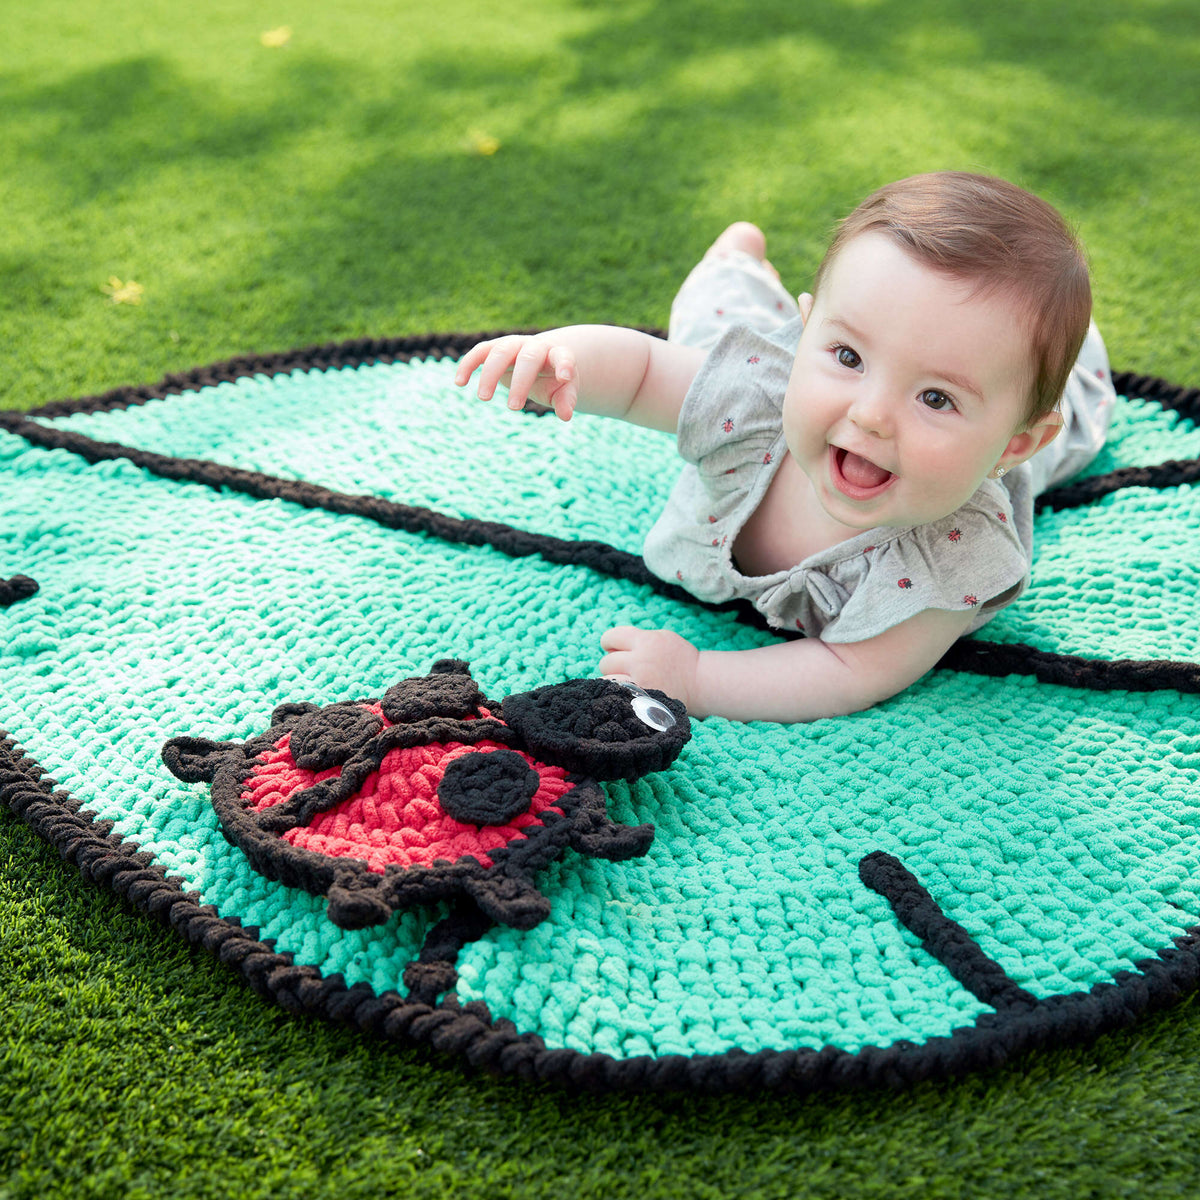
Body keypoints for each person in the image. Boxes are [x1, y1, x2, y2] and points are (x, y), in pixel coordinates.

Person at [454, 172, 1116, 722]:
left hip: (1004, 456)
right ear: (807, 343)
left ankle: (1071, 365)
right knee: (709, 329)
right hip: (773, 345)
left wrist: (699, 676)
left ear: (1011, 441)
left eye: (936, 398)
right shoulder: (759, 400)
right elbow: (646, 375)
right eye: (848, 355)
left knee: (1073, 421)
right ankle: (736, 262)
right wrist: (565, 358)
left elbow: (846, 670)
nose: (872, 414)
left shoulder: (947, 564)